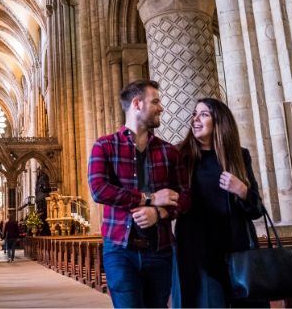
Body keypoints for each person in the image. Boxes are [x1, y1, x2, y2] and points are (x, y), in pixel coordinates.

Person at [87, 79, 190, 308]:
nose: (161, 107)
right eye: (155, 101)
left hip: (159, 249)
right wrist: (149, 198)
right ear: (137, 103)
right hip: (120, 250)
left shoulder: (169, 152)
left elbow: (185, 197)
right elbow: (99, 189)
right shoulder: (104, 146)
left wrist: (160, 213)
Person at [174, 98, 264, 308]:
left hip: (236, 249)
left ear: (220, 121)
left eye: (203, 114)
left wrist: (242, 190)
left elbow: (257, 209)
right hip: (197, 252)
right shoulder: (181, 156)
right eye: (194, 114)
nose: (195, 119)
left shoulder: (239, 156)